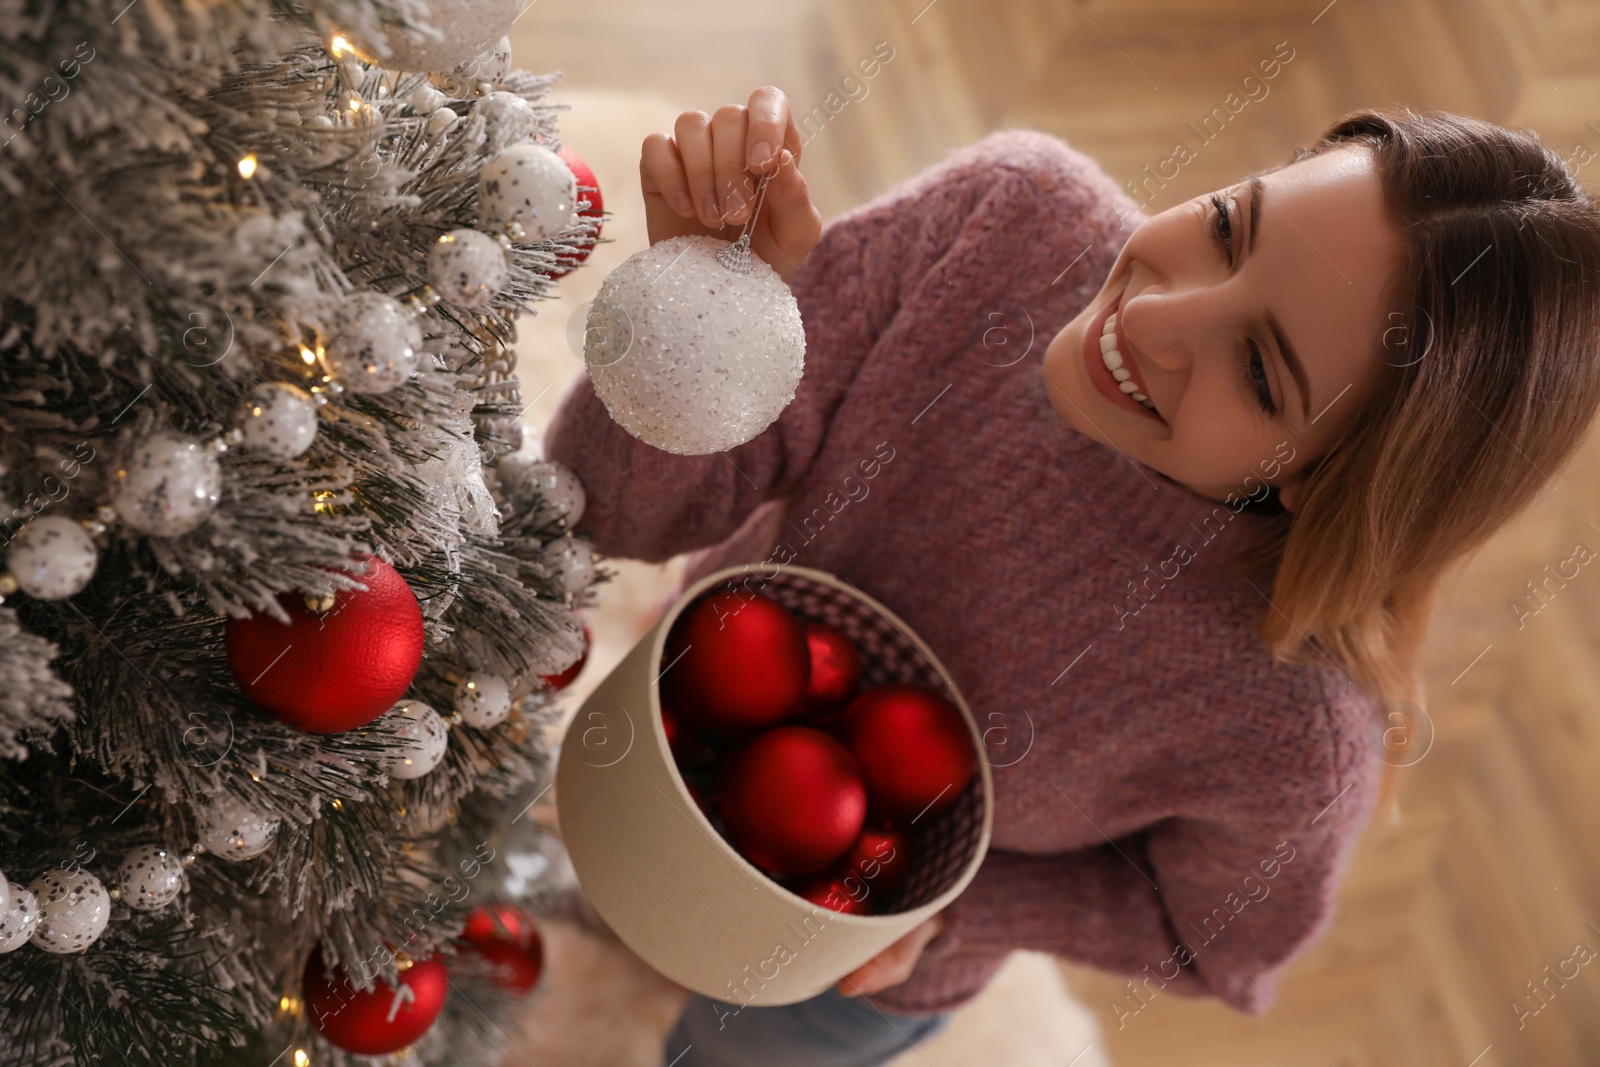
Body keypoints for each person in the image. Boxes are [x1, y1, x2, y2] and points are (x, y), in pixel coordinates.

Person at [542, 86, 1600, 1067]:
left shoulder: (1290, 734)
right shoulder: (1001, 222)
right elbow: (607, 507)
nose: (1149, 319)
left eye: (1258, 369)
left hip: (838, 976)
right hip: (663, 754)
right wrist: (694, 325)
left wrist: (953, 913)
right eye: (1230, 226)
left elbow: (1211, 945)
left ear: (1326, 484)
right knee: (587, 879)